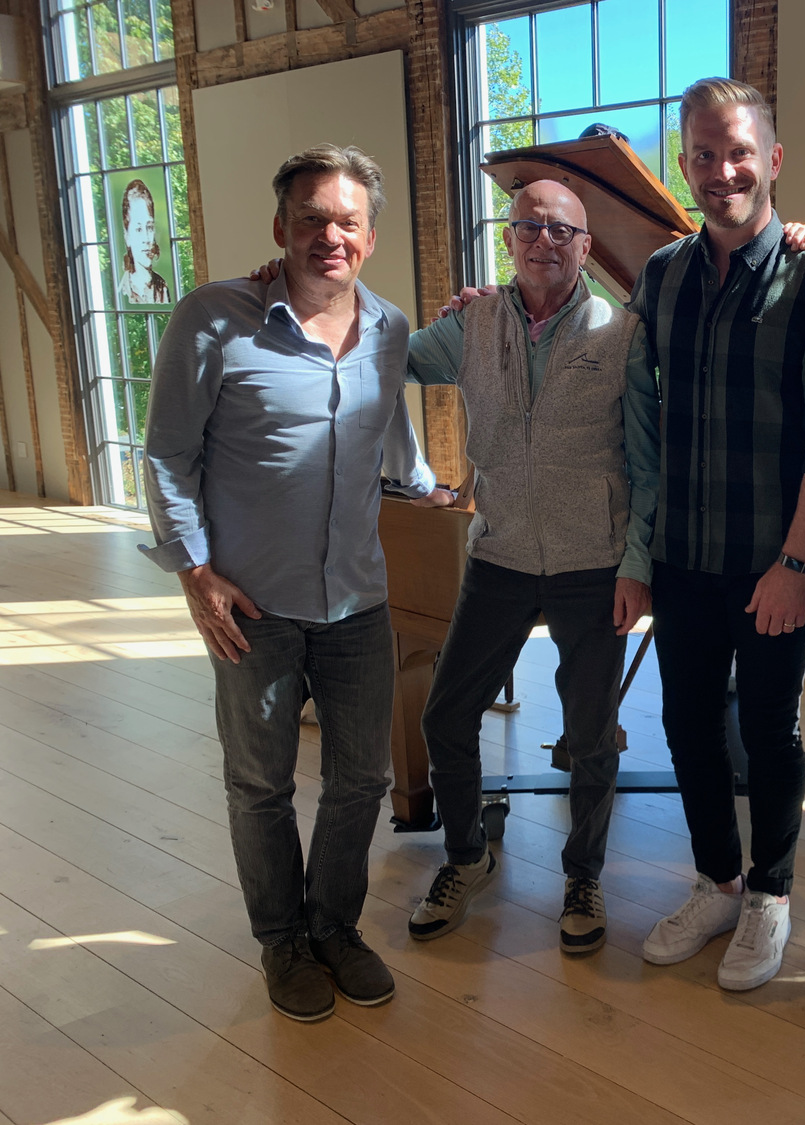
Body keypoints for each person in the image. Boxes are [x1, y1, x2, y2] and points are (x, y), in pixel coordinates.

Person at [141, 144, 453, 1023]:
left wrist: (428, 483)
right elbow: (167, 454)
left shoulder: (389, 329)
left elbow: (389, 424)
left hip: (357, 599)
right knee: (261, 783)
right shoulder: (212, 317)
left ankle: (334, 926)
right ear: (280, 228)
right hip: (252, 601)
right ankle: (282, 941)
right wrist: (194, 571)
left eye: (346, 221)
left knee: (361, 780)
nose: (329, 236)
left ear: (371, 236)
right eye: (311, 218)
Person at [629, 77, 805, 991]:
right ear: (684, 165)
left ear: (772, 159)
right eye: (701, 154)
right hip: (684, 553)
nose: (720, 169)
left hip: (777, 557)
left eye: (738, 151)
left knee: (769, 729)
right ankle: (718, 882)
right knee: (687, 723)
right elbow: (624, 394)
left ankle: (770, 893)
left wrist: (797, 562)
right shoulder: (661, 276)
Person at [400, 179, 655, 953]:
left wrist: (636, 564)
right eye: (529, 227)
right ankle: (467, 855)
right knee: (445, 713)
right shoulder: (469, 324)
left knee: (588, 732)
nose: (544, 240)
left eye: (562, 230)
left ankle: (583, 873)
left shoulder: (623, 331)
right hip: (500, 554)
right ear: (508, 239)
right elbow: (387, 362)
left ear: (585, 246)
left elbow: (648, 462)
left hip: (593, 561)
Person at [118, 179, 170, 305]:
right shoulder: (122, 291)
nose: (147, 238)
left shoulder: (162, 288)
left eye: (150, 227)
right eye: (139, 229)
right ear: (127, 236)